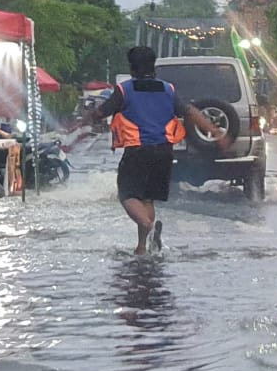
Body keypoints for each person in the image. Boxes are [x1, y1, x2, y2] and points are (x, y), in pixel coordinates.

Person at [85, 46, 231, 256]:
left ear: (132, 67)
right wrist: (217, 132)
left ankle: (148, 225)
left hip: (137, 150)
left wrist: (85, 118)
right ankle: (143, 247)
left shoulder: (124, 90)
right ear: (152, 66)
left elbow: (101, 113)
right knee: (147, 198)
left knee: (127, 194)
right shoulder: (167, 89)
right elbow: (190, 112)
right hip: (164, 152)